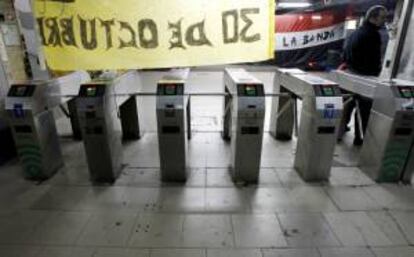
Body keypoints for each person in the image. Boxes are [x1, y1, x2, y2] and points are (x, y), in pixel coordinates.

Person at [340, 5, 388, 145]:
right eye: (382, 17)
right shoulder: (372, 35)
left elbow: (345, 53)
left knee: (348, 105)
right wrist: (376, 75)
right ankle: (360, 137)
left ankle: (340, 130)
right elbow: (374, 59)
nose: (384, 21)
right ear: (373, 17)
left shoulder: (357, 31)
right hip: (365, 76)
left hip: (350, 74)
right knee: (364, 109)